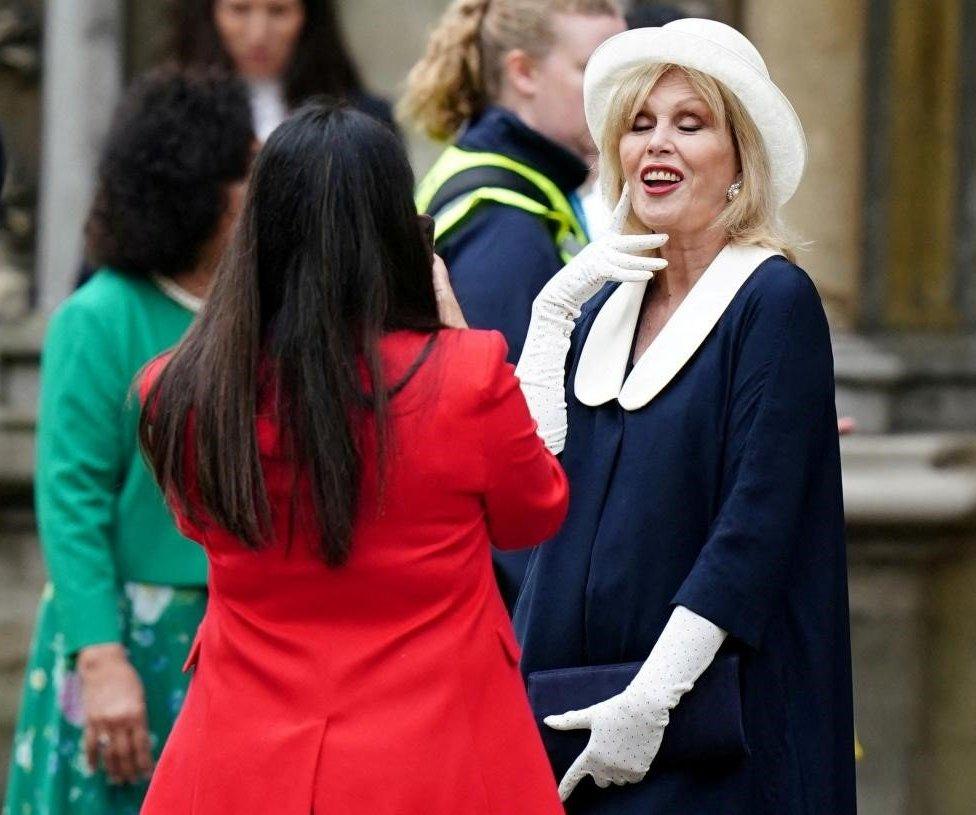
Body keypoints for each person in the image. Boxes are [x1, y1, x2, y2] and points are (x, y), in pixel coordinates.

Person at [137, 102, 570, 814]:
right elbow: (535, 511)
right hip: (440, 760)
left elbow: (199, 524)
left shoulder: (179, 387)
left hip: (237, 760)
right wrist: (460, 335)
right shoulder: (467, 374)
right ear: (395, 228)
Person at [510, 19, 856, 814]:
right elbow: (531, 483)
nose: (657, 145)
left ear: (740, 160)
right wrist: (551, 313)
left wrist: (651, 699)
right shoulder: (600, 300)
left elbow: (750, 536)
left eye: (690, 124)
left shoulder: (773, 300)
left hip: (712, 735)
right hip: (573, 725)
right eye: (640, 124)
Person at [2, 67, 254, 815]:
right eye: (243, 172)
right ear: (194, 190)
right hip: (121, 639)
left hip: (241, 639)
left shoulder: (261, 313)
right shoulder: (98, 317)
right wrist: (102, 656)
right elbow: (70, 497)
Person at [401, 0, 625, 610]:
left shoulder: (515, 183)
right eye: (595, 69)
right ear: (524, 72)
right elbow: (509, 434)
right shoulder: (505, 222)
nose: (623, 95)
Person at [171, 0, 396, 141]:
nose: (258, 35)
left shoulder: (365, 119)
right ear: (210, 13)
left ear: (309, 16)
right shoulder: (172, 116)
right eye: (240, 9)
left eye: (278, 11)